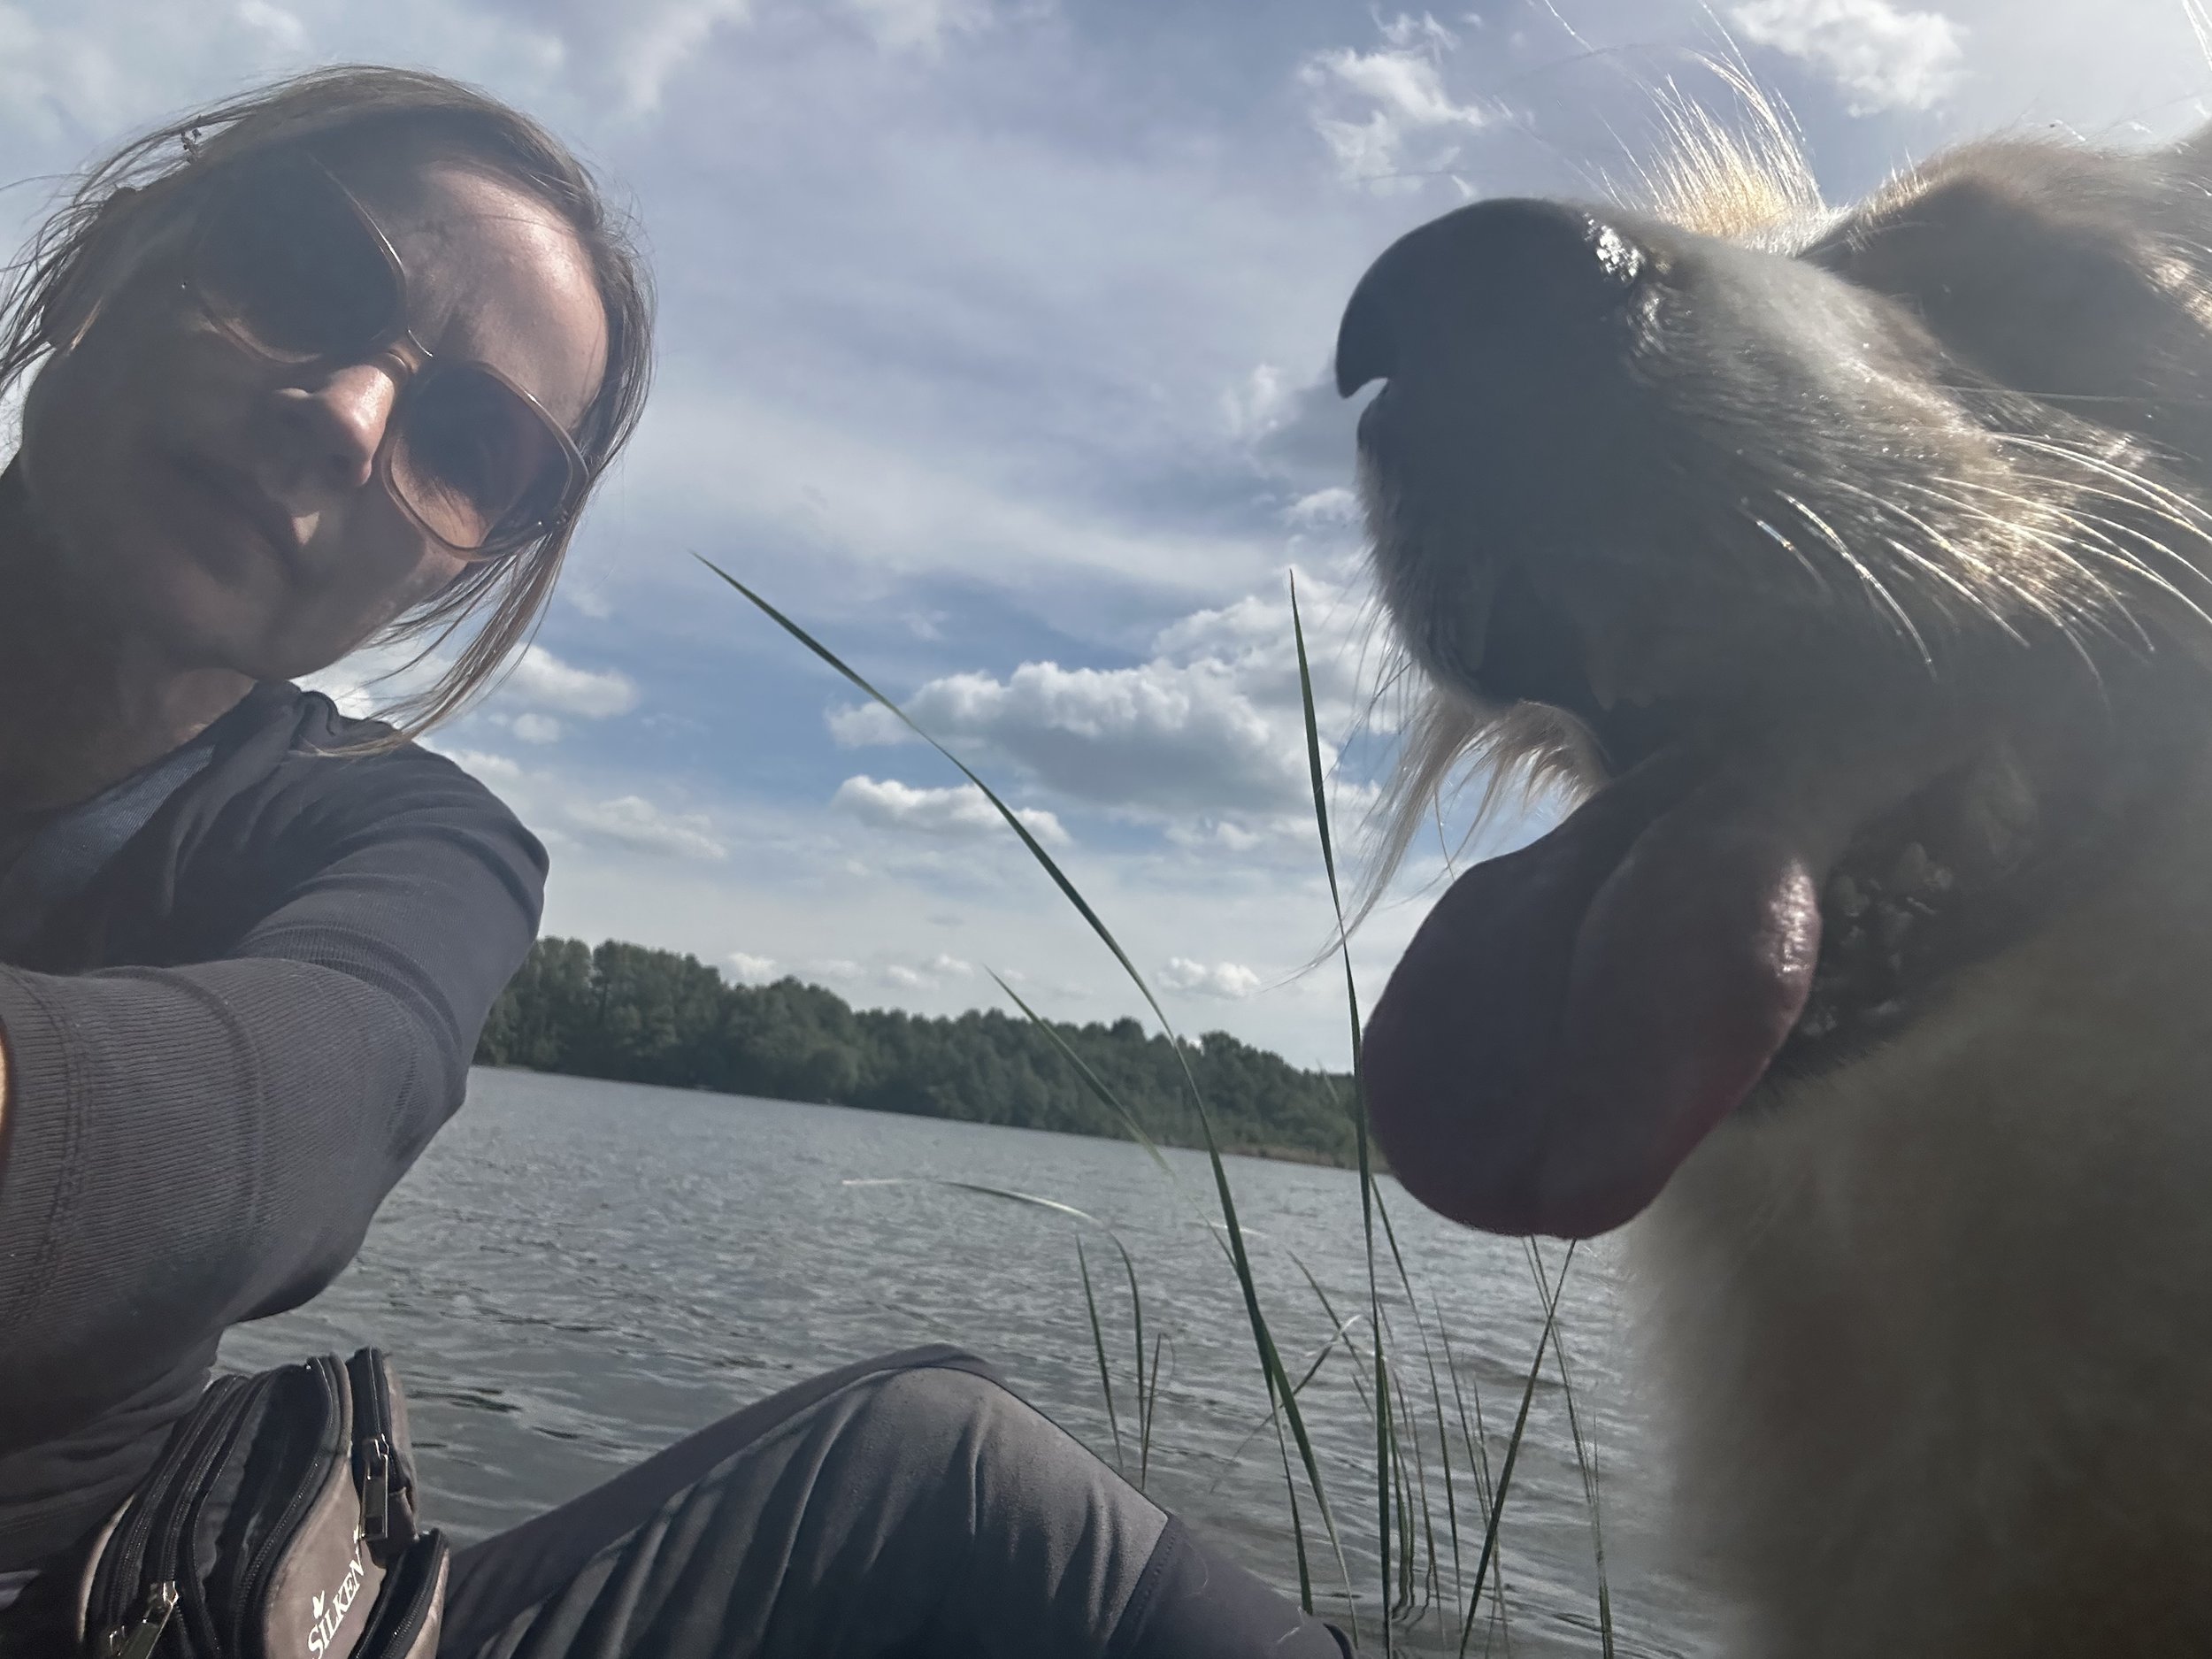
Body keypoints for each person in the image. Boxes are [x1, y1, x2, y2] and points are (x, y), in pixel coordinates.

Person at [0, 67, 1356, 1658]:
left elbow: (281, 1126)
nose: (347, 415)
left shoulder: (414, 839)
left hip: (86, 1597)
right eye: (298, 274)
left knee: (949, 1478)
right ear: (113, 257)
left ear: (465, 560)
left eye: (470, 441)